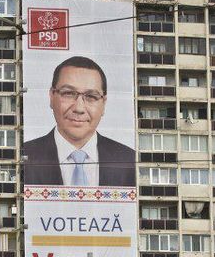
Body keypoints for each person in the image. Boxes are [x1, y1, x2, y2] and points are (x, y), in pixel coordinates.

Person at [22, 56, 135, 187]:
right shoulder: (25, 155)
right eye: (69, 93)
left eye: (91, 96)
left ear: (103, 103)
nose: (79, 108)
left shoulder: (129, 161)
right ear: (52, 96)